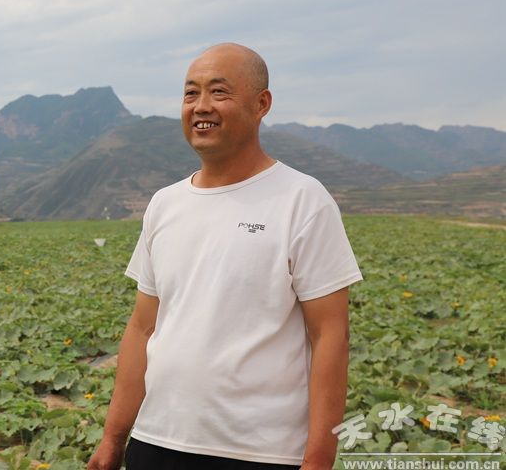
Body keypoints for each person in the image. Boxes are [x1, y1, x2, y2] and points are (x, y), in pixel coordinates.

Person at [87, 43, 363, 470]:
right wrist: (113, 436)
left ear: (261, 104)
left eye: (218, 92)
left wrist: (318, 459)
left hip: (258, 452)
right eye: (190, 93)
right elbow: (143, 328)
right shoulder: (165, 204)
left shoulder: (303, 200)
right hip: (155, 440)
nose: (201, 106)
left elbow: (330, 335)